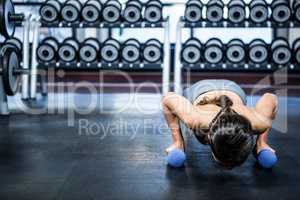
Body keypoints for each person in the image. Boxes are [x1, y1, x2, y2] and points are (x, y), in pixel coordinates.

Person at [162, 79, 278, 168]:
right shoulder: (195, 118)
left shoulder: (260, 123)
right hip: (201, 88)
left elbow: (271, 98)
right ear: (210, 139)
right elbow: (168, 99)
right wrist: (178, 142)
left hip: (232, 88)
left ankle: (260, 146)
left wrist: (261, 142)